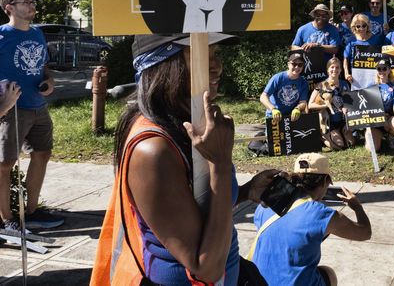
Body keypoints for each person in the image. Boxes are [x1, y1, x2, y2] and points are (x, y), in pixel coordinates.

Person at [91, 33, 278, 285]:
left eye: (216, 54)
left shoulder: (189, 120)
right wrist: (221, 164)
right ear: (162, 62)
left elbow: (196, 207)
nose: (216, 66)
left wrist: (246, 192)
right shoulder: (152, 149)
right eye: (201, 55)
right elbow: (206, 269)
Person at [250, 153, 371, 286]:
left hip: (255, 281)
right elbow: (365, 233)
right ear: (326, 181)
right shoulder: (322, 216)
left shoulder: (266, 205)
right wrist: (357, 207)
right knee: (328, 273)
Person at [0, 0, 63, 232]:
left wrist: (49, 82)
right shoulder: (2, 36)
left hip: (39, 106)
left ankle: (32, 211)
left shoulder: (37, 34)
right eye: (25, 2)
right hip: (12, 108)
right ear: (9, 8)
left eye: (32, 1)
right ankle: (7, 221)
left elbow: (43, 68)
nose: (32, 5)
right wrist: (3, 104)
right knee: (5, 165)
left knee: (43, 153)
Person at [308, 58, 354, 150]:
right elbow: (310, 105)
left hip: (341, 120)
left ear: (341, 70)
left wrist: (348, 123)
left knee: (351, 143)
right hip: (328, 121)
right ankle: (322, 136)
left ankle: (341, 132)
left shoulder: (344, 84)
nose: (335, 70)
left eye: (337, 67)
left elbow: (349, 103)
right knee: (339, 145)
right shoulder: (321, 85)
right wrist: (326, 105)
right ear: (328, 69)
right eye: (332, 67)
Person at [260, 52, 309, 124]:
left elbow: (303, 102)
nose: (297, 67)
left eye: (300, 65)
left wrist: (298, 108)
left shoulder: (304, 82)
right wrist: (273, 109)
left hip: (291, 117)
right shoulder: (278, 78)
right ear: (288, 64)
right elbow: (263, 96)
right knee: (271, 135)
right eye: (294, 64)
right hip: (274, 116)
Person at [367, 57, 394, 152]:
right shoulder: (371, 86)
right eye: (379, 69)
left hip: (388, 119)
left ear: (389, 70)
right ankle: (372, 135)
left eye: (384, 68)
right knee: (371, 149)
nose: (382, 71)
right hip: (375, 121)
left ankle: (391, 136)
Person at [343, 14, 375, 86]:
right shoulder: (351, 40)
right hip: (355, 75)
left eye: (364, 25)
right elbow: (345, 58)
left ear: (368, 26)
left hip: (372, 75)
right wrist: (346, 73)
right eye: (358, 26)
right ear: (354, 27)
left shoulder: (375, 39)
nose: (361, 28)